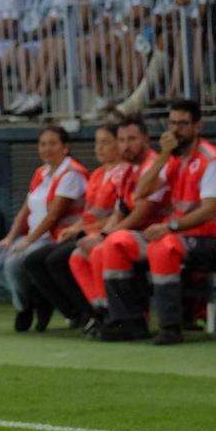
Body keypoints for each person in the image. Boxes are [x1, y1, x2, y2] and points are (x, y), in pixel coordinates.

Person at [100, 101, 216, 344]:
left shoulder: (211, 161)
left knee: (162, 247)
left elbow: (208, 212)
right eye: (172, 123)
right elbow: (141, 192)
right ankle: (129, 322)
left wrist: (169, 227)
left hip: (212, 240)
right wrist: (163, 155)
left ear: (197, 127)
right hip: (177, 235)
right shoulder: (174, 159)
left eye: (183, 124)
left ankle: (170, 327)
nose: (175, 129)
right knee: (115, 242)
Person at [0, 126, 88, 332]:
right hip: (33, 236)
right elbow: (25, 210)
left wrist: (28, 242)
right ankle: (37, 297)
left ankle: (23, 308)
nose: (47, 148)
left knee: (13, 263)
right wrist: (10, 238)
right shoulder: (41, 172)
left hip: (56, 237)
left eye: (53, 143)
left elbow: (54, 215)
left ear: (65, 147)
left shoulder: (72, 173)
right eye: (43, 144)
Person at [70, 117, 169, 337]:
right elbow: (120, 211)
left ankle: (130, 319)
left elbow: (140, 214)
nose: (126, 145)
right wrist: (102, 233)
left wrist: (105, 237)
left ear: (146, 140)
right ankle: (104, 313)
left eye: (132, 139)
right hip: (135, 235)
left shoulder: (153, 167)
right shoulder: (128, 170)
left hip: (157, 235)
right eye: (122, 140)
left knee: (109, 246)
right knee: (78, 256)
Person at [24, 124, 124, 330]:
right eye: (97, 143)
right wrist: (74, 228)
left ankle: (92, 312)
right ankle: (75, 314)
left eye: (105, 142)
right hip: (84, 232)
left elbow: (117, 216)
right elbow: (87, 214)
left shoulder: (123, 174)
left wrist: (80, 230)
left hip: (103, 234)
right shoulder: (97, 174)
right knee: (34, 260)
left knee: (57, 260)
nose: (99, 148)